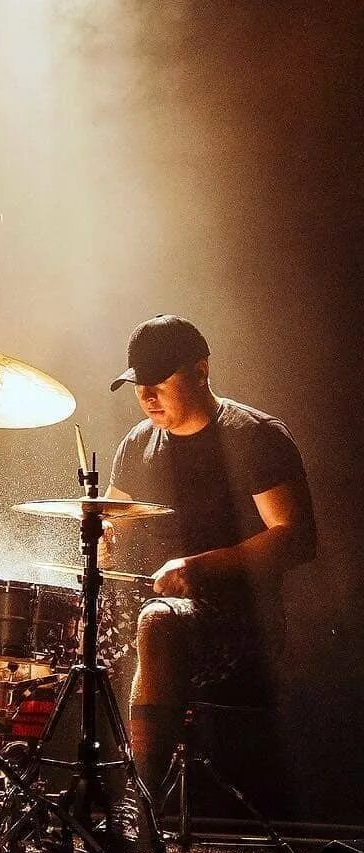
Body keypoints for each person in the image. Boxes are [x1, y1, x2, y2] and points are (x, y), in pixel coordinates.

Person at [103, 314, 317, 800]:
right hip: (157, 605)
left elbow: (295, 538)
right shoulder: (137, 443)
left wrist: (197, 566)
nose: (147, 396)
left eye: (160, 382)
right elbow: (113, 518)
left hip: (241, 620)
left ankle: (141, 802)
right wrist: (105, 537)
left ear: (201, 371)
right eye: (139, 385)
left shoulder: (255, 437)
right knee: (66, 622)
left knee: (157, 621)